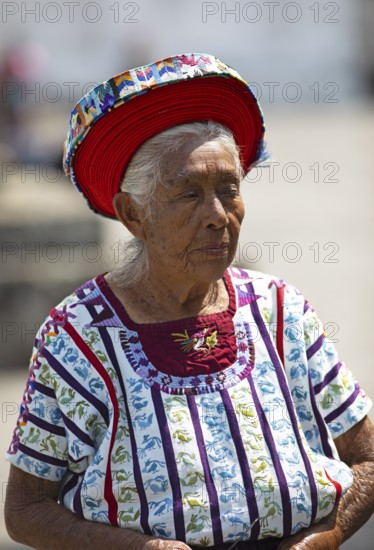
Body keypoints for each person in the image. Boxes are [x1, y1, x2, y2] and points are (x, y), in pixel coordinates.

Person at [4, 53, 374, 550]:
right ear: (134, 215)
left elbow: (368, 458)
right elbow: (26, 511)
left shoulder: (280, 308)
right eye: (189, 194)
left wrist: (322, 541)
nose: (219, 215)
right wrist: (141, 548)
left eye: (229, 189)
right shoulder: (77, 334)